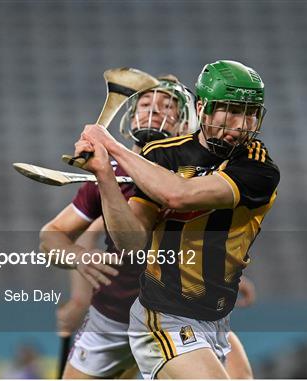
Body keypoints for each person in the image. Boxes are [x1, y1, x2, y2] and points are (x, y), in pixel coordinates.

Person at [75, 60, 280, 379]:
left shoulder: (256, 166)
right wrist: (104, 174)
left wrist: (112, 148)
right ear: (203, 107)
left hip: (216, 320)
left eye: (250, 112)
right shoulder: (162, 155)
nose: (241, 124)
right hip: (163, 317)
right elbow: (132, 243)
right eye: (231, 111)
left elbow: (178, 195)